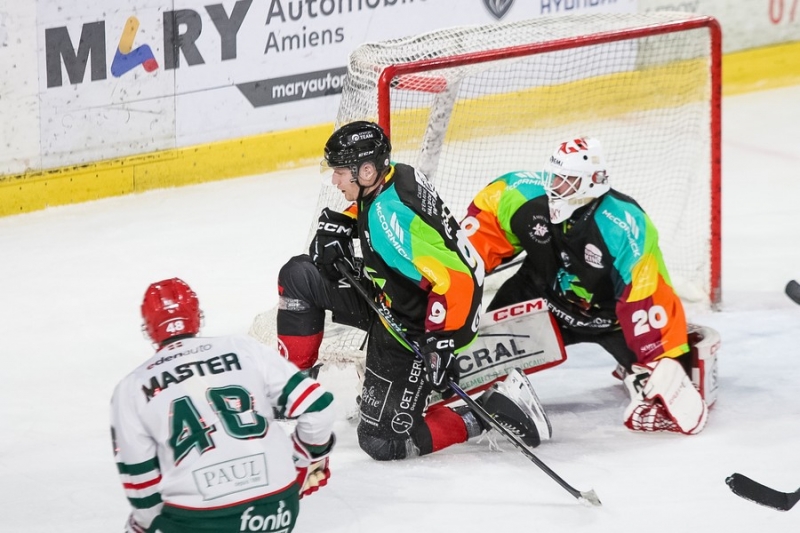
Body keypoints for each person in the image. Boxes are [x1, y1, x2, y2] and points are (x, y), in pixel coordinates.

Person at [276, 120, 551, 461]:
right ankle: (293, 388)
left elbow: (456, 281)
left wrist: (441, 343)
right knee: (300, 275)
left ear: (364, 171)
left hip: (422, 323)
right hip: (395, 294)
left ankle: (493, 410)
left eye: (339, 172)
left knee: (383, 442)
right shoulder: (396, 176)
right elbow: (376, 212)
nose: (334, 180)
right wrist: (343, 222)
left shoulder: (387, 219)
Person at [462, 136, 712, 435]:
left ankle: (637, 372)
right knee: (468, 359)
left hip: (611, 320)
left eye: (566, 181)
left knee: (669, 376)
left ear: (593, 182)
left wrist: (658, 360)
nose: (555, 187)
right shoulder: (520, 194)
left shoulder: (623, 222)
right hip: (541, 301)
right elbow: (466, 255)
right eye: (554, 177)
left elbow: (644, 294)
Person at [111, 278, 335, 533]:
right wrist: (300, 463)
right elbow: (319, 408)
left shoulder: (132, 387)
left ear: (149, 329)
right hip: (276, 508)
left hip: (198, 519)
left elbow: (142, 487)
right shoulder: (242, 348)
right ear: (197, 316)